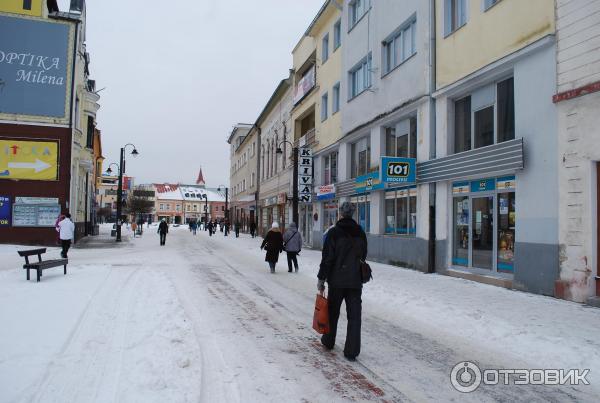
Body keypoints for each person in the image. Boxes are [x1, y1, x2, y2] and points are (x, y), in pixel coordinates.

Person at [317, 202, 367, 361]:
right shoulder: (360, 232)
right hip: (354, 281)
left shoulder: (334, 233)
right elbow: (363, 255)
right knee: (355, 316)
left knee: (332, 313)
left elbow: (327, 258)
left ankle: (328, 340)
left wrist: (321, 278)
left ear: (340, 213)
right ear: (352, 214)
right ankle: (351, 350)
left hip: (336, 281)